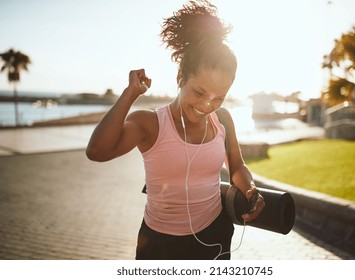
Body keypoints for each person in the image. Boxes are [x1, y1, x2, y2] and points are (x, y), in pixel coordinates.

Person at [86, 0, 265, 260]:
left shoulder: (223, 120)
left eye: (219, 97)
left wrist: (250, 189)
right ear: (181, 77)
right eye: (200, 92)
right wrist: (130, 93)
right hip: (158, 244)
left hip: (215, 236)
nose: (207, 105)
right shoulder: (151, 124)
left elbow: (236, 166)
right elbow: (97, 151)